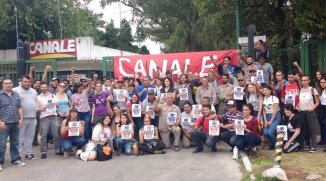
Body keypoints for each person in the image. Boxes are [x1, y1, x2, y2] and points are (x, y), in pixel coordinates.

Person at [0, 78, 25, 170]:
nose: (8, 85)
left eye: (10, 83)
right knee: (1, 144)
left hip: (15, 122)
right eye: (6, 83)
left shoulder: (16, 94)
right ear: (2, 85)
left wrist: (21, 119)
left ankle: (15, 160)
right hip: (4, 124)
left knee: (15, 142)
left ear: (12, 84)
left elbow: (19, 107)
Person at [13, 75, 39, 160]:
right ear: (21, 81)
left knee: (29, 137)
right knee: (19, 138)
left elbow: (36, 102)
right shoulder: (15, 90)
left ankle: (29, 154)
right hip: (21, 119)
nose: (27, 83)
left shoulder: (34, 91)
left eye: (29, 82)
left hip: (33, 117)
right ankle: (17, 156)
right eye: (25, 82)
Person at [37, 82, 61, 159]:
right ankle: (43, 151)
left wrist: (56, 105)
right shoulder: (38, 98)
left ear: (47, 87)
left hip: (54, 116)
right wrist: (43, 108)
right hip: (44, 117)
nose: (44, 88)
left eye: (45, 87)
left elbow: (57, 105)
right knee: (43, 135)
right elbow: (37, 109)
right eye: (42, 87)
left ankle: (57, 150)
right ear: (40, 88)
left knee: (56, 135)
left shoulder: (53, 96)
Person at [297, 75, 320, 152]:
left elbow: (317, 102)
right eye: (302, 80)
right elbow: (300, 101)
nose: (303, 82)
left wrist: (312, 108)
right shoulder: (300, 90)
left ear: (309, 81)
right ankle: (307, 145)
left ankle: (313, 146)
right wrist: (298, 107)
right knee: (304, 129)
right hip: (302, 112)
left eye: (305, 80)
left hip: (310, 112)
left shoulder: (312, 90)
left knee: (312, 129)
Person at [262, 85, 281, 150]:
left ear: (270, 91)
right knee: (265, 133)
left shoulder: (274, 98)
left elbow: (275, 110)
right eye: (263, 90)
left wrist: (271, 120)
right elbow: (264, 110)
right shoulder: (263, 98)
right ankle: (273, 144)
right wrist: (265, 120)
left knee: (270, 132)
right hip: (267, 116)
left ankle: (277, 145)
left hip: (275, 116)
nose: (264, 91)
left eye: (266, 90)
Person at [317, 77, 326, 146]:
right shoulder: (319, 90)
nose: (322, 84)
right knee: (322, 125)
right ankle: (323, 140)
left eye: (324, 82)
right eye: (321, 82)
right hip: (321, 109)